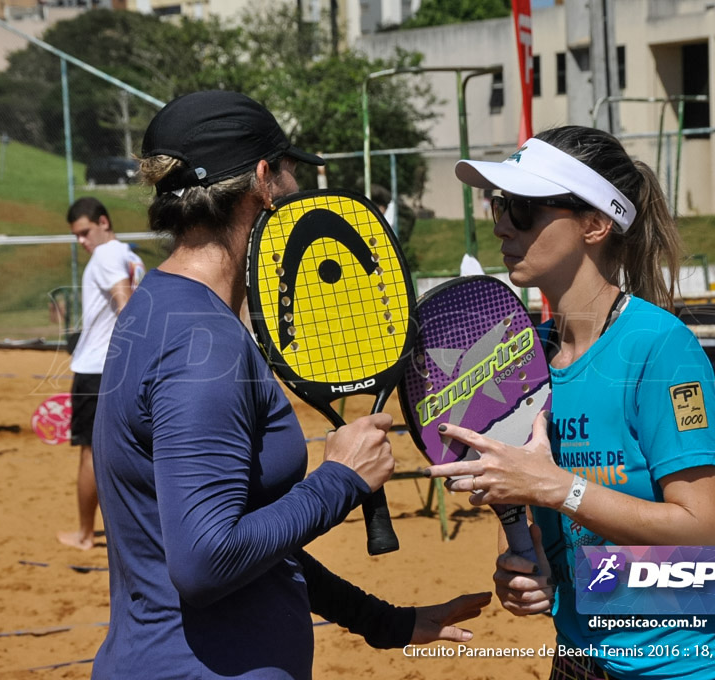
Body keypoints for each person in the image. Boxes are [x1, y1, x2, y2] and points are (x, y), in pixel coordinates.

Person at [90, 90, 490, 679]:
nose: (298, 190)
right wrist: (340, 480)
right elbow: (206, 560)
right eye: (290, 172)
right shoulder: (201, 343)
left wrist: (382, 621)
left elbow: (253, 540)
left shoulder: (159, 307)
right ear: (262, 179)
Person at [426, 127, 715, 680]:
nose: (501, 224)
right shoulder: (522, 358)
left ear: (595, 223)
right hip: (580, 660)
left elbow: (704, 534)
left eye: (522, 207)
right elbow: (530, 508)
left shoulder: (660, 347)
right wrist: (527, 570)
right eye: (498, 205)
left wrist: (556, 487)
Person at [57, 196, 144, 551]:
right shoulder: (131, 256)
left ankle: (83, 534)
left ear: (103, 222)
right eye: (76, 235)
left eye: (84, 232)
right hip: (122, 369)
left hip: (97, 369)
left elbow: (124, 305)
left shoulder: (106, 255)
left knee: (91, 454)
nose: (81, 241)